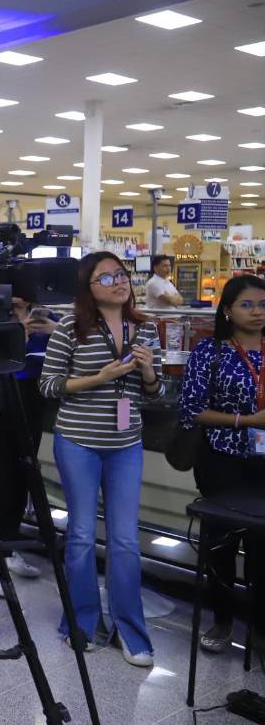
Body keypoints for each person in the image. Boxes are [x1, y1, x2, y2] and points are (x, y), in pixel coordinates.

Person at [39, 251, 161, 668]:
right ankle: (83, 624)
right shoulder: (71, 327)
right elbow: (49, 385)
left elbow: (155, 392)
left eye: (121, 275)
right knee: (81, 535)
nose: (118, 283)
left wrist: (146, 374)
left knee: (126, 540)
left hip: (127, 443)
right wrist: (99, 378)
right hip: (78, 442)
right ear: (87, 288)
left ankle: (131, 631)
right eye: (105, 278)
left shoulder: (145, 328)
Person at [178, 274, 265, 654]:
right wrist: (245, 422)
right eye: (247, 304)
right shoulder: (209, 351)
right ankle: (222, 619)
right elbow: (190, 409)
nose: (257, 312)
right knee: (221, 544)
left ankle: (259, 627)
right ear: (227, 310)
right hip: (222, 458)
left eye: (262, 304)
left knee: (263, 548)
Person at [0, 298, 56, 599]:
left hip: (33, 401)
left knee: (23, 476)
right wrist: (18, 336)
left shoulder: (47, 315)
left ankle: (10, 550)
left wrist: (56, 330)